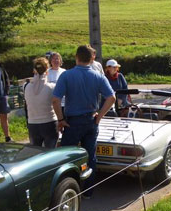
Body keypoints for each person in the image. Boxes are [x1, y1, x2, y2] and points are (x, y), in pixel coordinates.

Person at [52, 45, 115, 199]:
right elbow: (111, 98)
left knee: (67, 156)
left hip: (72, 122)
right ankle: (88, 191)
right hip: (91, 121)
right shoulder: (98, 76)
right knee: (90, 156)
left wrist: (60, 119)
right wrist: (99, 116)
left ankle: (67, 190)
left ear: (76, 57)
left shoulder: (67, 75)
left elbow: (55, 100)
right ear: (91, 58)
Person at [24, 57, 58, 148]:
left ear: (34, 71)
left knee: (36, 154)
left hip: (33, 124)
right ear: (47, 71)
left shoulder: (26, 87)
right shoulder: (52, 87)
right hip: (49, 123)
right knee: (50, 154)